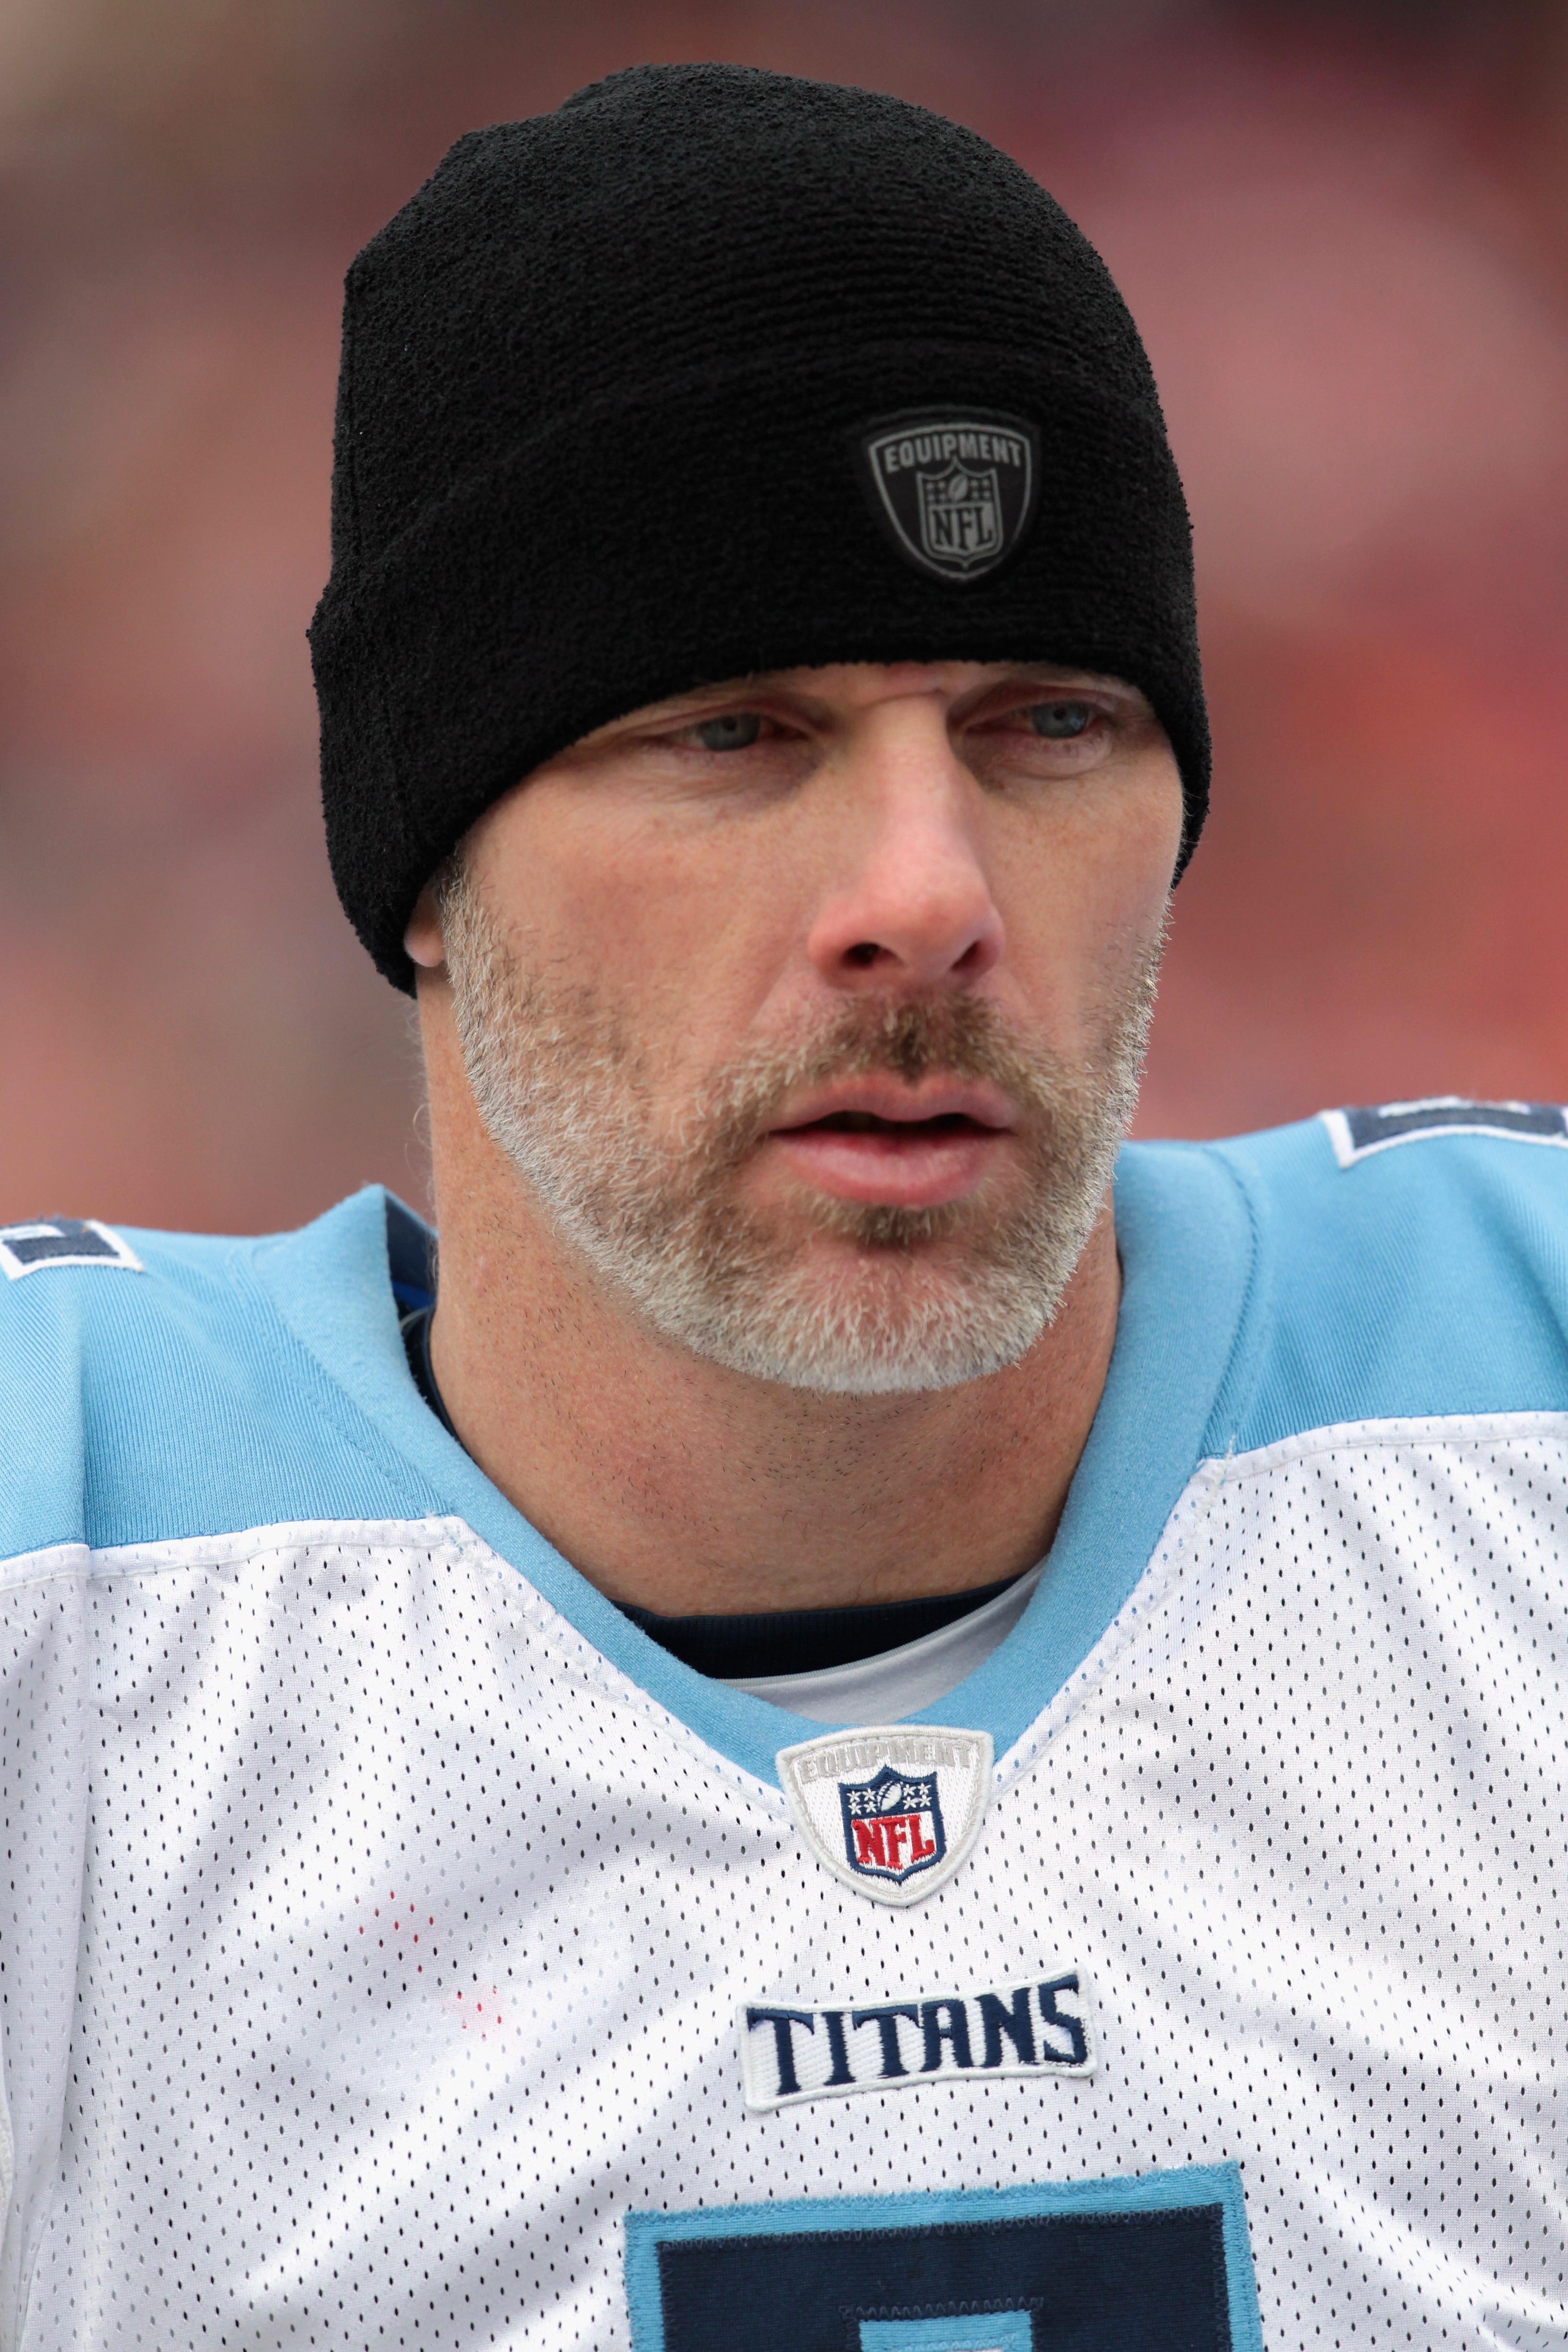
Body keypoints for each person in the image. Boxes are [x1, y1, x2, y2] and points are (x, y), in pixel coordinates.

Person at [1, 60, 1563, 2352]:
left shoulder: (1516, 1423)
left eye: (1048, 723)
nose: (924, 897)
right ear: (426, 865)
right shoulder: (73, 1594)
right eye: (733, 732)